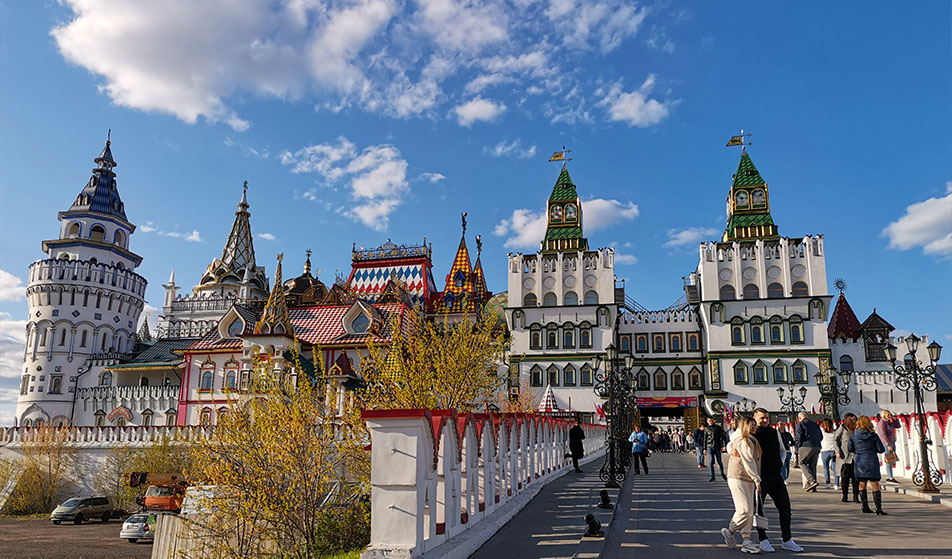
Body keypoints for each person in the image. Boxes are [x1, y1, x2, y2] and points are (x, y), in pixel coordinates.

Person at [751, 408, 804, 553]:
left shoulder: (774, 432)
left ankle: (787, 539)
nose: (765, 420)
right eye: (762, 418)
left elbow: (782, 449)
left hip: (775, 475)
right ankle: (763, 540)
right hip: (760, 477)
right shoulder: (751, 433)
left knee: (785, 507)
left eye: (767, 418)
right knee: (759, 509)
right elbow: (733, 444)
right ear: (755, 418)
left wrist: (780, 463)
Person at [720, 416, 763, 554]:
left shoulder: (746, 439)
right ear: (745, 427)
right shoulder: (745, 440)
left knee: (749, 511)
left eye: (755, 426)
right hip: (739, 476)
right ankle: (730, 531)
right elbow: (749, 462)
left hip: (745, 478)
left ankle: (746, 541)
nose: (755, 428)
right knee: (745, 510)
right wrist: (757, 479)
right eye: (752, 426)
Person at [850, 415, 888, 515]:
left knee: (862, 483)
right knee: (875, 484)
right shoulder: (873, 435)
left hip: (859, 461)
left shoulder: (853, 435)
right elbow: (881, 449)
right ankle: (878, 508)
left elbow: (850, 448)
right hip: (871, 460)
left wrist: (859, 450)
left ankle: (864, 506)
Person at [834, 413, 860, 503]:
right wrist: (837, 451)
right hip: (844, 455)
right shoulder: (843, 428)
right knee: (845, 477)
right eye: (852, 419)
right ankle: (845, 496)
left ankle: (856, 496)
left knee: (856, 478)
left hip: (856, 455)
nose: (854, 421)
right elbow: (835, 439)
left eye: (855, 419)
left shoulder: (858, 428)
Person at [794, 412, 822, 492]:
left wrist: (798, 446)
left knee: (802, 463)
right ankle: (813, 486)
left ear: (800, 418)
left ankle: (812, 480)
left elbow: (799, 436)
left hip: (806, 446)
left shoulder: (801, 424)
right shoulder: (815, 424)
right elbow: (821, 436)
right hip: (817, 446)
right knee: (813, 465)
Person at [876, 410, 900, 484]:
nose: (890, 416)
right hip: (887, 443)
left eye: (890, 414)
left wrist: (896, 420)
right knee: (889, 459)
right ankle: (889, 477)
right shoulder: (882, 423)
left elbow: (898, 426)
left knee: (892, 459)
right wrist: (888, 445)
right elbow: (883, 435)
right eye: (888, 415)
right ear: (884, 415)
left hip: (892, 442)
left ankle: (891, 476)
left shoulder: (889, 422)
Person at [704, 416, 728, 481]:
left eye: (711, 421)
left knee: (719, 461)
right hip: (709, 447)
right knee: (711, 462)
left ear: (713, 421)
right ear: (707, 421)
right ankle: (712, 476)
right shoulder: (706, 428)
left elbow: (723, 437)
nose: (710, 422)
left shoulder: (718, 428)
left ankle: (722, 473)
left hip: (717, 446)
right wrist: (704, 448)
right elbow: (705, 439)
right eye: (709, 421)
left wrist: (724, 446)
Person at [819, 418, 839, 488]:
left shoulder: (822, 432)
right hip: (834, 451)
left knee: (825, 467)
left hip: (824, 451)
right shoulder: (835, 432)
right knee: (835, 468)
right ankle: (836, 484)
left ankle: (828, 483)